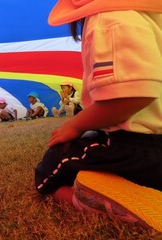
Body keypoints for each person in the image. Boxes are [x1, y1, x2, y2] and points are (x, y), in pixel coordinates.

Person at [35, 0, 162, 222]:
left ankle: (95, 201)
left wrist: (75, 125)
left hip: (138, 147)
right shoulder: (151, 14)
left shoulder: (109, 19)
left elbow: (131, 97)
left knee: (51, 167)